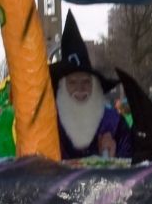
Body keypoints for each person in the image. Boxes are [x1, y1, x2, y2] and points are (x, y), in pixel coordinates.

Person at [51, 13, 131, 160]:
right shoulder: (49, 127)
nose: (80, 88)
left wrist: (113, 159)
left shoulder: (115, 124)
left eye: (86, 82)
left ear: (95, 87)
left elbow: (133, 165)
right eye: (72, 82)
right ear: (62, 89)